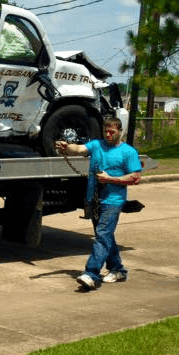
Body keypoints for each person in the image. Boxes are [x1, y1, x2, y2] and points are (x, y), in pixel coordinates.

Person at [55, 117, 142, 290]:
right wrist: (67, 147)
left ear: (120, 131)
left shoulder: (128, 152)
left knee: (102, 235)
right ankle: (118, 269)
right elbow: (79, 148)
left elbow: (135, 177)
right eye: (105, 131)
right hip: (94, 198)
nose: (108, 135)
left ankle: (91, 273)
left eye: (112, 132)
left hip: (113, 200)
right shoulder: (96, 145)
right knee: (105, 235)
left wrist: (110, 179)